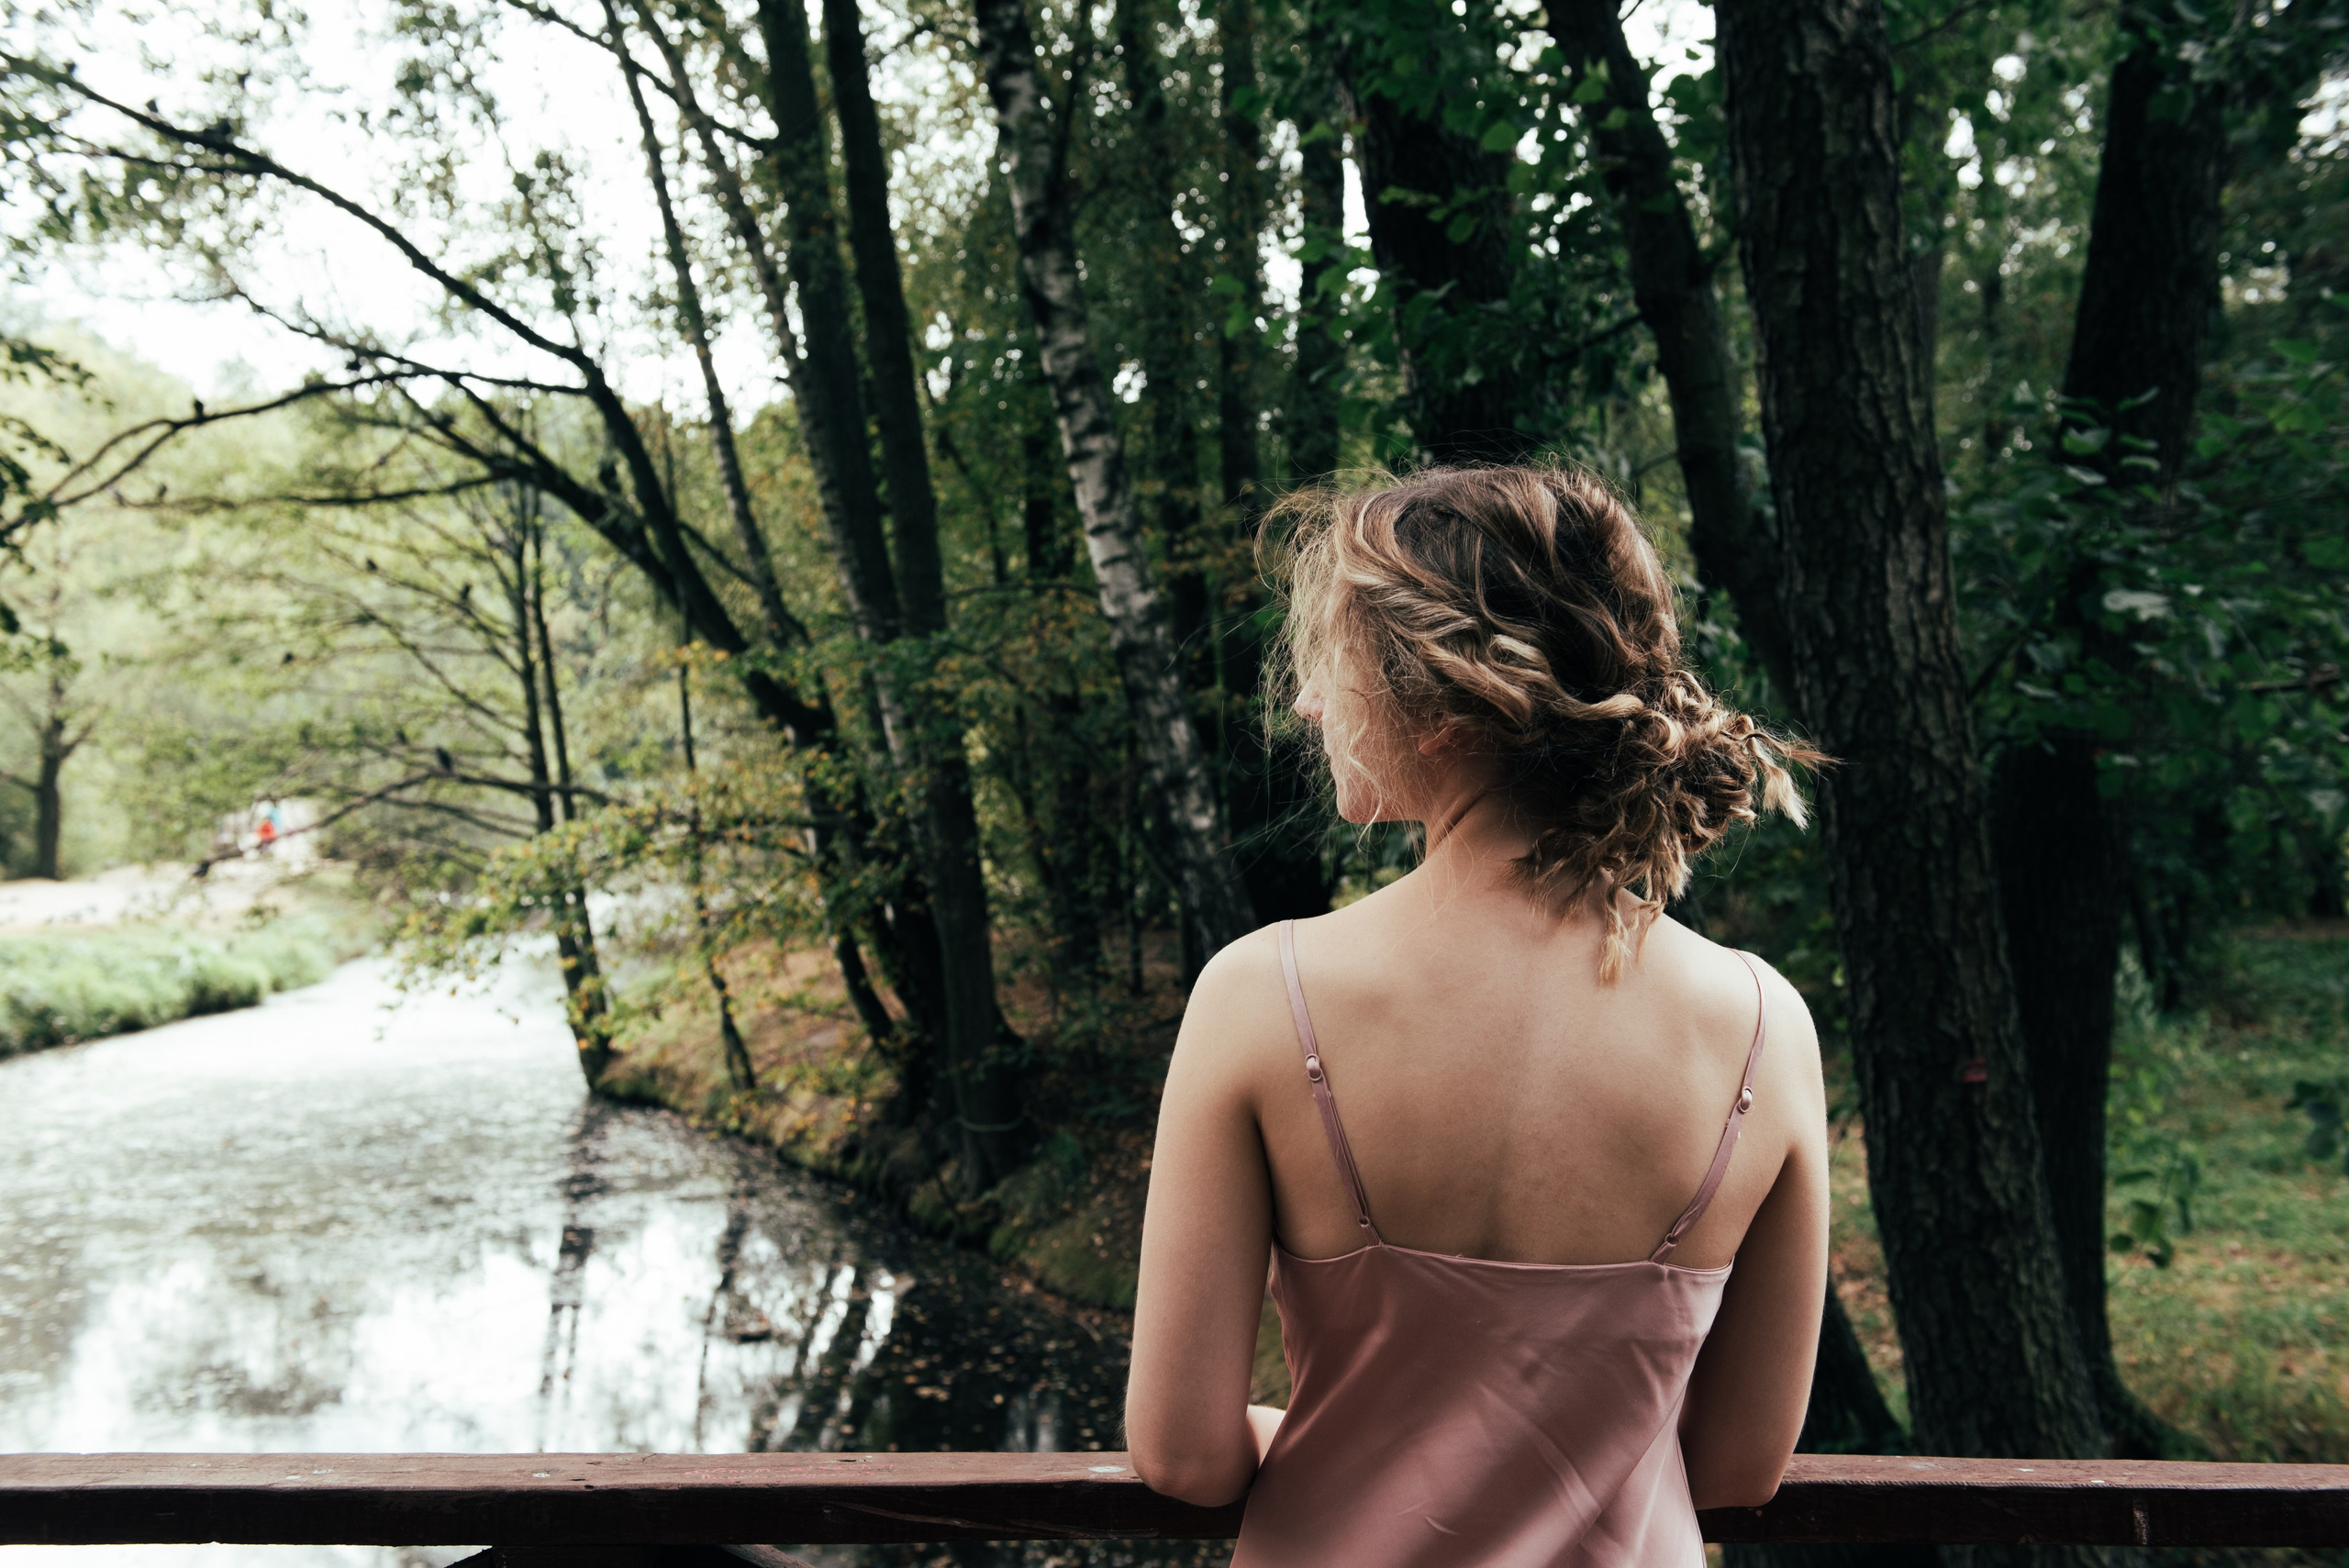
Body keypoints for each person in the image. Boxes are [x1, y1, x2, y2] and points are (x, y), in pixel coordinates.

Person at [1125, 466, 1831, 1567]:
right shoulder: (1760, 1025)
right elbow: (1738, 1466)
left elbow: (1181, 1457)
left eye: (1336, 665)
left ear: (1444, 708)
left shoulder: (1262, 998)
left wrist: (1315, 1440)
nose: (1310, 702)